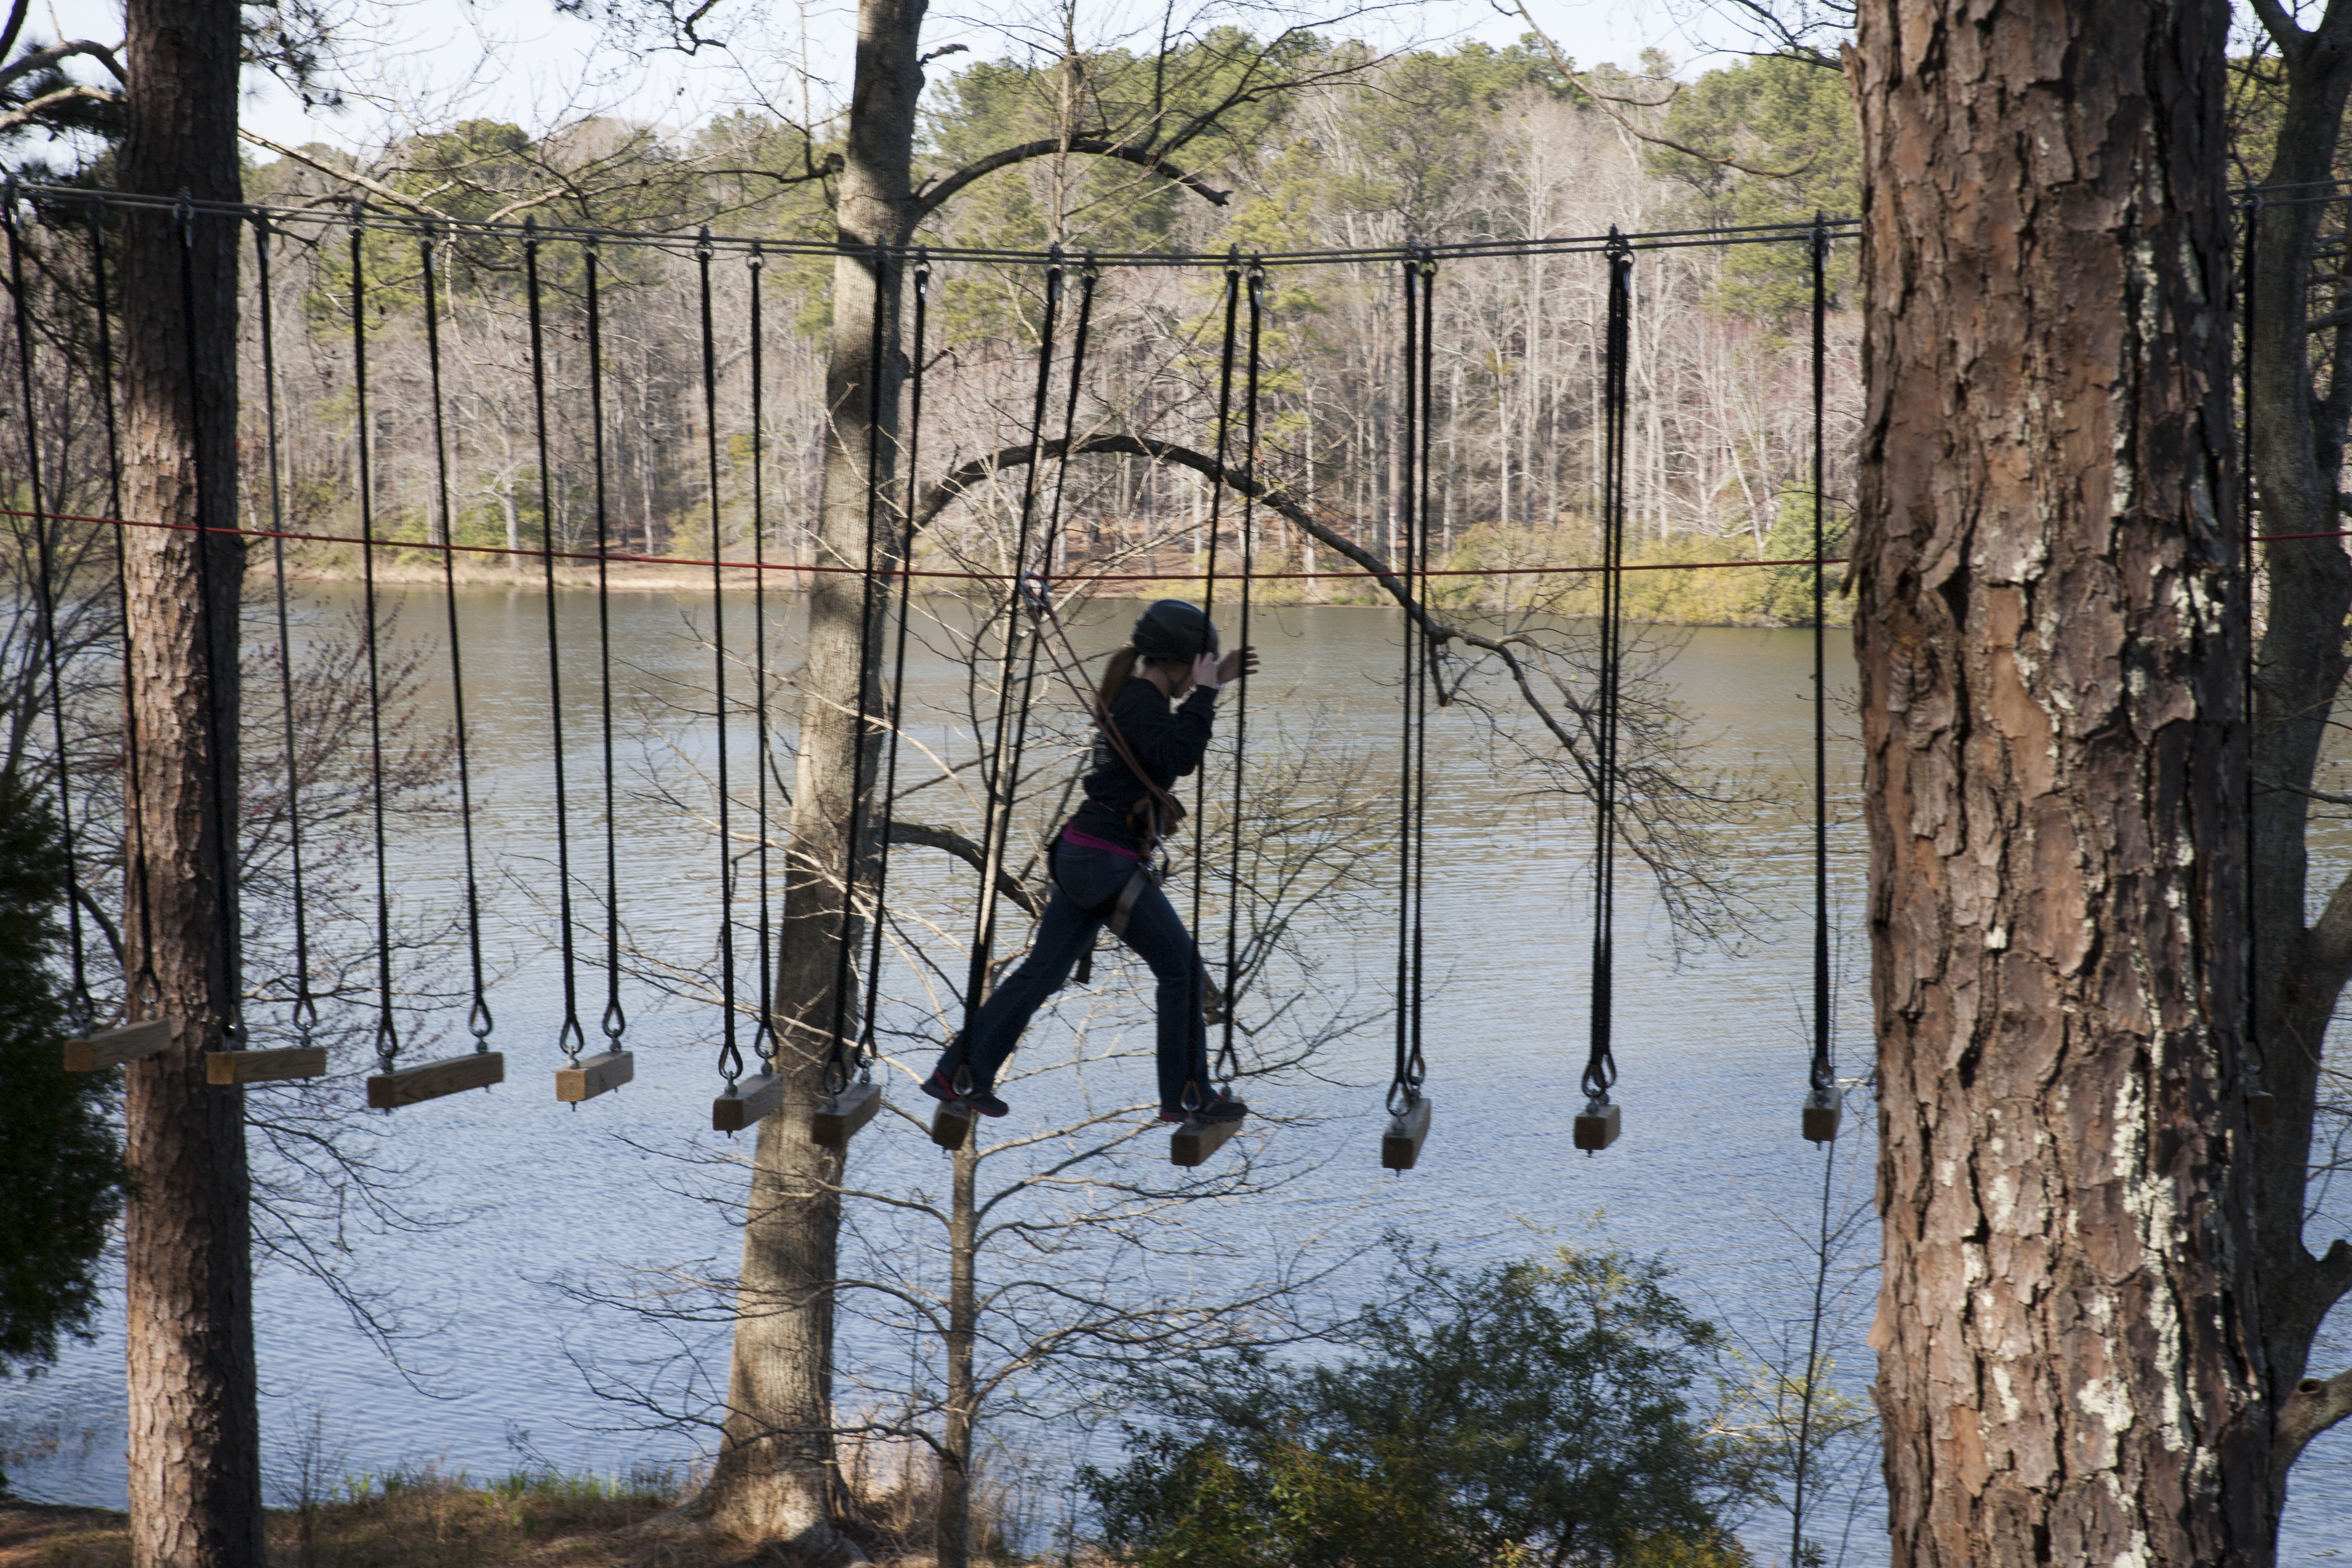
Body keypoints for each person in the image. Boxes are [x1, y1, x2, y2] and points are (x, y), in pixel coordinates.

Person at [925, 599, 1257, 1124]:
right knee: (1181, 972)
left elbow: (1166, 747)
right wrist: (1211, 693)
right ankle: (1189, 1094)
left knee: (1042, 973)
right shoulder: (1141, 701)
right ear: (1176, 660)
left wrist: (1216, 683)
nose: (1195, 683)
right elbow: (1179, 758)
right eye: (1194, 670)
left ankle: (960, 1072)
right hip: (1102, 861)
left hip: (1089, 856)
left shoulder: (1139, 699)